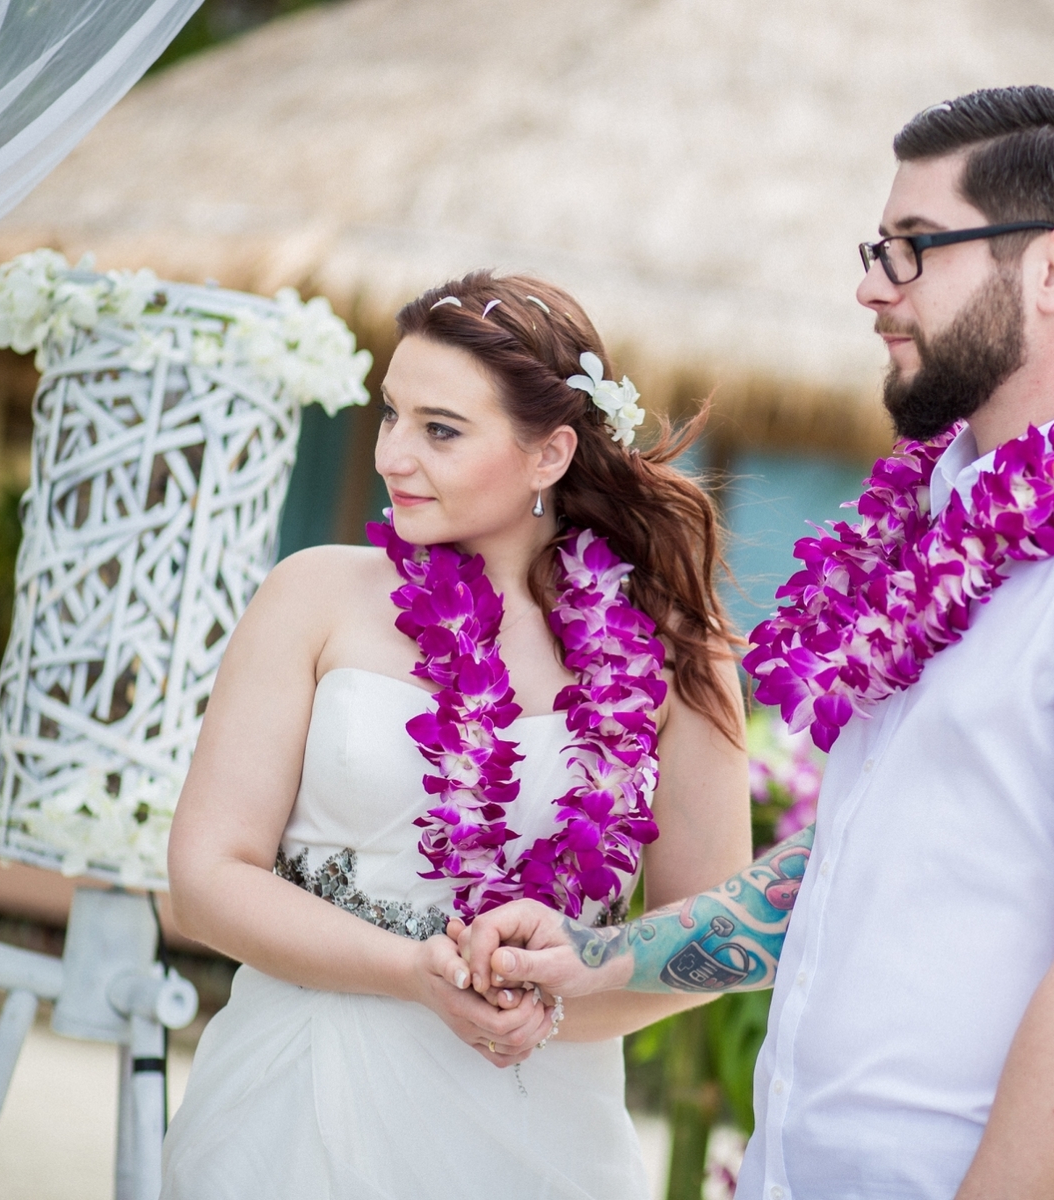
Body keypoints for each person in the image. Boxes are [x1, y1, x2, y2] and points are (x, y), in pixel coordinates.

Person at [461, 86, 1054, 1200]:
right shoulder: (926, 541)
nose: (871, 287)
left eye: (914, 249)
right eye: (878, 247)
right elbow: (856, 862)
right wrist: (604, 958)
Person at [161, 271, 754, 1199]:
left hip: (539, 1121)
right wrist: (410, 972)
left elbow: (705, 940)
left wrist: (556, 1000)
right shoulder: (313, 594)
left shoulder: (680, 651)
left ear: (549, 453)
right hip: (299, 1102)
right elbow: (203, 881)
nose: (393, 454)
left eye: (439, 429)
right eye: (391, 414)